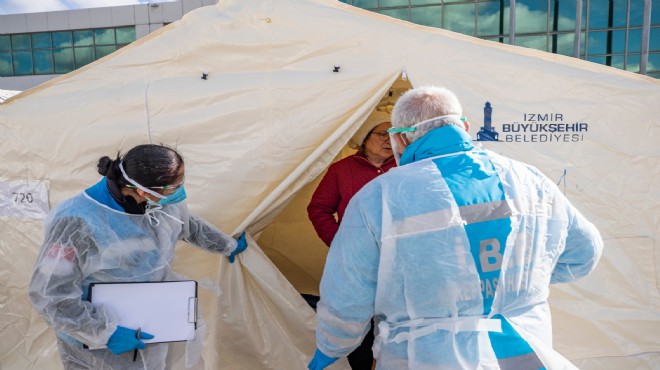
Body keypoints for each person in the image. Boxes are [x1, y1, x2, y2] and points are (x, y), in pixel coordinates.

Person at [308, 86, 603, 370]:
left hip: (423, 357)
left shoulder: (380, 196)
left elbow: (348, 294)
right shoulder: (530, 180)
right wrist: (511, 280)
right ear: (464, 125)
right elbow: (585, 253)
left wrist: (331, 347)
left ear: (402, 139)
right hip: (524, 351)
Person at [28, 144, 247, 370]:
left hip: (150, 321)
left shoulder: (159, 203)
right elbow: (50, 294)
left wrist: (227, 245)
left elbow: (186, 224)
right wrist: (105, 332)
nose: (179, 192)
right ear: (143, 190)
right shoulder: (76, 221)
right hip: (98, 344)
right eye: (174, 187)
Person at [307, 110, 396, 370]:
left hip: (399, 260)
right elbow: (319, 209)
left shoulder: (407, 168)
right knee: (357, 319)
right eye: (382, 133)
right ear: (364, 138)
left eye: (394, 133)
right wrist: (340, 243)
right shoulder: (341, 170)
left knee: (394, 319)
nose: (389, 139)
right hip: (357, 263)